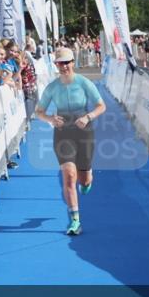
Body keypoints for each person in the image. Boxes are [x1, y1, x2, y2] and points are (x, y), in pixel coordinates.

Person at [35, 48, 106, 236]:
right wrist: (50, 119)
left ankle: (87, 179)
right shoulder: (52, 87)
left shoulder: (84, 83)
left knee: (84, 179)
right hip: (63, 133)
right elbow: (38, 111)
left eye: (67, 62)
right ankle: (75, 220)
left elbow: (101, 106)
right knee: (69, 175)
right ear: (56, 65)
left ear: (73, 62)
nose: (64, 66)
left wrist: (88, 117)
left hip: (84, 132)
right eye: (60, 63)